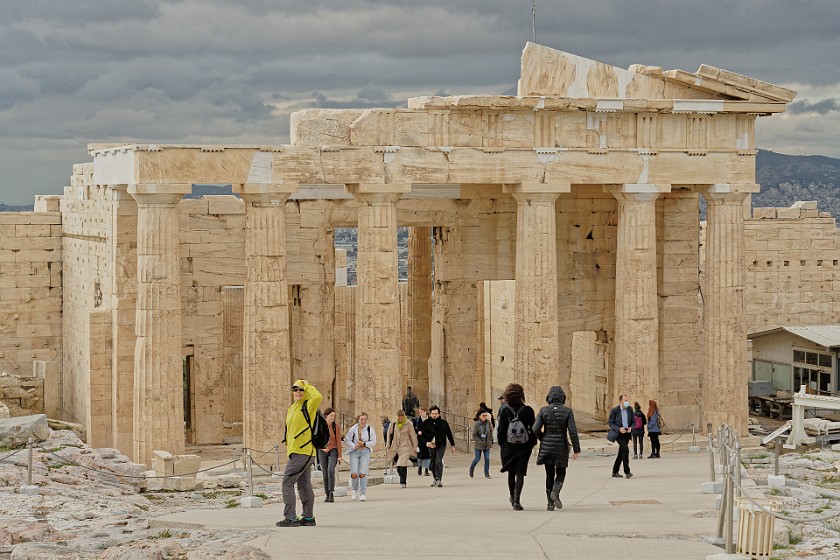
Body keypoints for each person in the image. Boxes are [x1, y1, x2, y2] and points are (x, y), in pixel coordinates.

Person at [276, 379, 322, 527]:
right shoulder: (292, 408)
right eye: (295, 390)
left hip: (303, 451)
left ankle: (290, 517)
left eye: (300, 390)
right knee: (304, 485)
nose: (298, 392)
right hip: (296, 451)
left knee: (287, 482)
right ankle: (308, 518)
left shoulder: (308, 405)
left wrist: (306, 384)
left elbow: (318, 397)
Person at [533, 386, 580, 511]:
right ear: (562, 397)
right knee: (561, 472)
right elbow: (573, 431)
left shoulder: (544, 410)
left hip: (547, 446)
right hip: (561, 446)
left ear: (549, 397)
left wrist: (542, 437)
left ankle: (550, 503)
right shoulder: (567, 411)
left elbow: (534, 429)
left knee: (549, 474)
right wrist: (576, 448)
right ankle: (556, 491)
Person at [497, 383, 536, 510]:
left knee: (511, 473)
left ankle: (512, 495)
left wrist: (502, 444)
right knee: (520, 473)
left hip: (509, 446)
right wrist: (532, 443)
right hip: (524, 446)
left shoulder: (505, 410)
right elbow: (533, 428)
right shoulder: (528, 410)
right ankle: (517, 501)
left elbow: (501, 430)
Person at [420, 405, 455, 487]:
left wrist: (452, 445)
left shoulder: (443, 423)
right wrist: (426, 443)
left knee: (439, 460)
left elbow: (449, 434)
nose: (434, 415)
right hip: (431, 446)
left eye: (436, 413)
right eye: (433, 414)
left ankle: (439, 479)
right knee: (432, 464)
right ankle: (435, 479)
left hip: (441, 445)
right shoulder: (426, 423)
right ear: (430, 414)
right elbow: (421, 436)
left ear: (439, 414)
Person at [345, 412, 376, 501]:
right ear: (358, 420)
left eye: (365, 420)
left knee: (363, 472)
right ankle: (355, 490)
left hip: (365, 451)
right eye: (361, 419)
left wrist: (365, 444)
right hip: (354, 451)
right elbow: (347, 440)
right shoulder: (353, 429)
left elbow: (373, 442)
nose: (363, 421)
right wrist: (354, 445)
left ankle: (362, 493)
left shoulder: (370, 429)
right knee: (354, 472)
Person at [386, 409, 419, 488]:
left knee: (402, 463)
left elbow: (413, 435)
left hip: (406, 446)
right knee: (398, 465)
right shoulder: (394, 422)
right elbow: (389, 432)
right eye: (399, 418)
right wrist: (388, 443)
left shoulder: (409, 424)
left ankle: (403, 482)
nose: (400, 419)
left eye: (401, 418)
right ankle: (402, 477)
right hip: (396, 445)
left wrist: (415, 447)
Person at [317, 407, 342, 503]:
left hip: (333, 450)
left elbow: (338, 441)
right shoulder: (320, 426)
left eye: (334, 416)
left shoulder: (336, 426)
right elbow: (316, 440)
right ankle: (326, 493)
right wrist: (321, 448)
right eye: (331, 416)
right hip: (322, 451)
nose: (333, 417)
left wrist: (340, 456)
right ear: (326, 416)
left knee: (330, 470)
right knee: (324, 473)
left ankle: (331, 492)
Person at [607, 393, 633, 479]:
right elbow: (610, 423)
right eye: (625, 401)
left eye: (627, 400)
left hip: (626, 433)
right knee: (625, 449)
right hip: (618, 434)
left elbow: (633, 421)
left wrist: (631, 427)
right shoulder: (615, 410)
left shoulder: (630, 409)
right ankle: (627, 471)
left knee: (621, 453)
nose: (627, 402)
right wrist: (619, 429)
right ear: (621, 401)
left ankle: (615, 471)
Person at [469, 410, 494, 478]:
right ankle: (471, 468)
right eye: (483, 415)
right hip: (479, 444)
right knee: (477, 458)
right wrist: (479, 441)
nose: (485, 417)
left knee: (487, 459)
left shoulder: (488, 423)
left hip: (487, 443)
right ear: (479, 416)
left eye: (486, 415)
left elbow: (491, 431)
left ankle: (487, 473)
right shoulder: (477, 424)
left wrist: (491, 440)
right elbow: (474, 435)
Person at [414, 406, 432, 476]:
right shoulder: (418, 420)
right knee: (420, 454)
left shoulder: (430, 420)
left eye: (421, 412)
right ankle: (420, 467)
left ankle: (426, 469)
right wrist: (418, 431)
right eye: (419, 412)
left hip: (428, 438)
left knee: (427, 455)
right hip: (420, 439)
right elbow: (414, 428)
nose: (420, 413)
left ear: (425, 412)